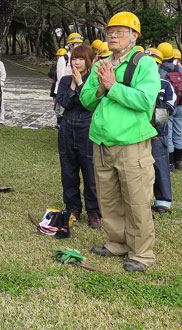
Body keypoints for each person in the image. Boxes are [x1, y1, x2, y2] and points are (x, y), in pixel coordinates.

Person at [80, 12, 161, 273]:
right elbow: (86, 100)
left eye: (120, 31)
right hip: (101, 144)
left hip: (131, 144)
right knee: (109, 199)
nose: (113, 35)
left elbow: (144, 102)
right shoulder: (101, 64)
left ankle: (142, 254)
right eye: (110, 31)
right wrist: (101, 88)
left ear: (134, 36)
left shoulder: (144, 64)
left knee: (136, 201)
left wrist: (113, 87)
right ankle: (117, 242)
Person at [56, 44, 101, 228]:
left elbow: (89, 104)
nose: (77, 62)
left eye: (81, 58)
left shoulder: (94, 80)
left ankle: (94, 211)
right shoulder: (65, 81)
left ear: (89, 61)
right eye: (74, 58)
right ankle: (72, 207)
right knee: (68, 170)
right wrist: (73, 83)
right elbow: (64, 102)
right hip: (67, 127)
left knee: (90, 172)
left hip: (87, 127)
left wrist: (81, 84)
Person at [146, 48, 177, 214]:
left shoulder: (165, 85)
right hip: (137, 133)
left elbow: (170, 107)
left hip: (158, 133)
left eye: (154, 63)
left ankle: (163, 201)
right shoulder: (138, 84)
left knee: (160, 165)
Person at [157, 42, 182, 171]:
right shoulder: (180, 69)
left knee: (168, 134)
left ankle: (170, 165)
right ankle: (178, 163)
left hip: (169, 105)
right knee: (178, 133)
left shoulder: (160, 70)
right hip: (181, 105)